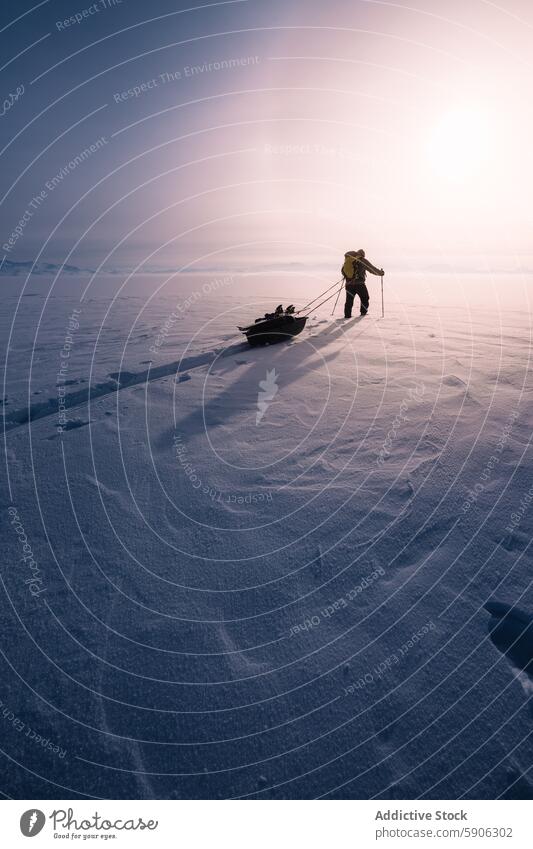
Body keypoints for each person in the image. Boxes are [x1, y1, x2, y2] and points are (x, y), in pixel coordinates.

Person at [342, 249, 384, 317]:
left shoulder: (348, 260)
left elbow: (343, 271)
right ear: (362, 255)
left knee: (349, 300)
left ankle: (347, 315)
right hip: (359, 284)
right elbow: (372, 269)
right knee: (365, 298)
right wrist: (381, 273)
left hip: (349, 284)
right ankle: (363, 313)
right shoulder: (362, 260)